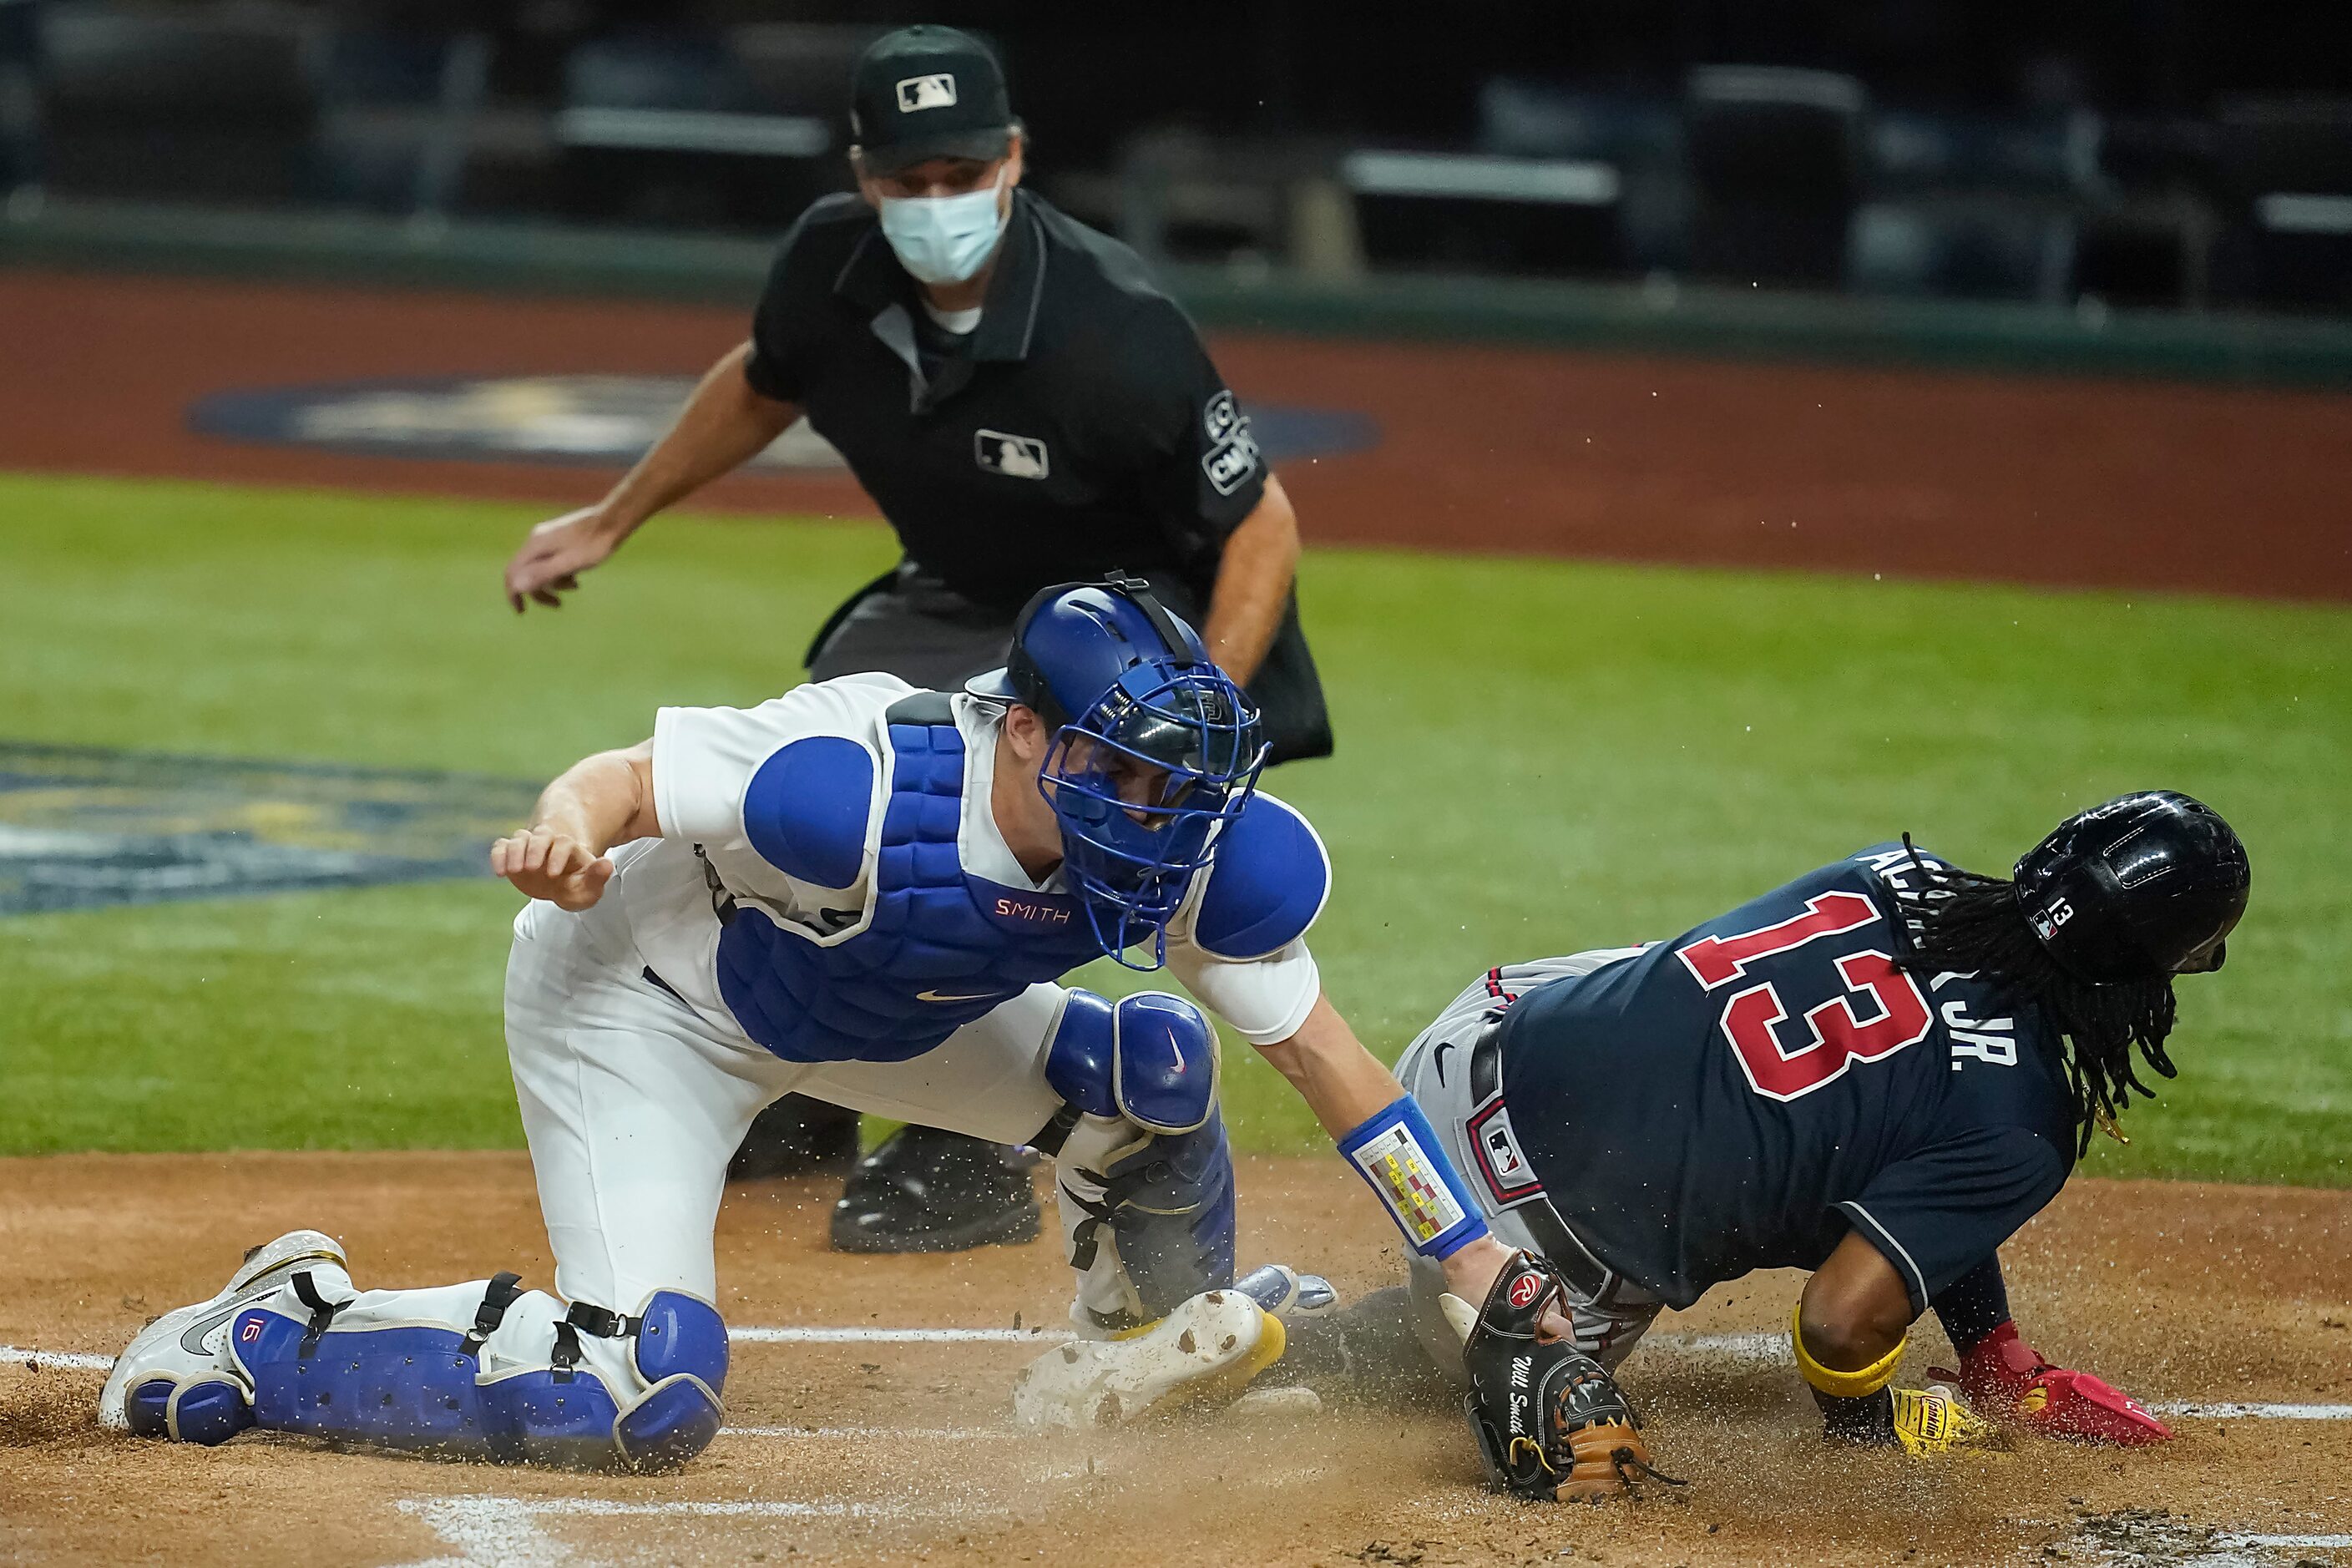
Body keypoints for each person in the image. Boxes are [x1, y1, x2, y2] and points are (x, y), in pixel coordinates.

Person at [99, 579, 1529, 1472]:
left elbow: (1331, 1065)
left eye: (1172, 786)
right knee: (635, 1394)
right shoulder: (846, 780)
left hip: (864, 1016)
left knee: (1152, 1070)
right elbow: (623, 777)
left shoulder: (1187, 849)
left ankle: (1140, 1357)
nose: (1152, 820)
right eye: (1120, 772)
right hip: (638, 1009)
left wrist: (1473, 1260)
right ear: (1025, 730)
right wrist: (558, 834)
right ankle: (270, 1330)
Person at [498, 23, 1332, 1256]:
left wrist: (1187, 702)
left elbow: (1261, 523)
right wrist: (616, 516)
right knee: (851, 737)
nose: (934, 201)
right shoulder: (832, 263)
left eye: (959, 175)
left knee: (993, 812)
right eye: (906, 179)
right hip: (961, 589)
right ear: (862, 173)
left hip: (1131, 615)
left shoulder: (1114, 328)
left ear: (1012, 159)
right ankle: (792, 1071)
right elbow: (764, 376)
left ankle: (964, 1154)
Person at [1232, 792, 2250, 1500]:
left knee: (1683, 979)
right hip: (1523, 1247)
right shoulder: (2024, 1120)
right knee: (1567, 1458)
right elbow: (1842, 1321)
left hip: (1453, 1060)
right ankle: (1333, 1343)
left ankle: (1306, 1320)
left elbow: (1919, 1136)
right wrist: (1871, 1425)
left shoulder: (1902, 872)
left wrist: (1993, 1349)